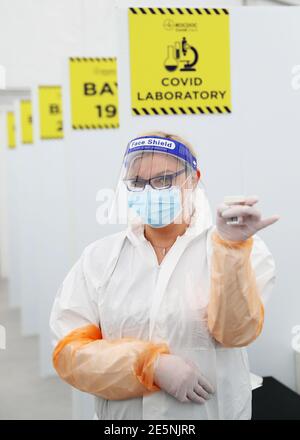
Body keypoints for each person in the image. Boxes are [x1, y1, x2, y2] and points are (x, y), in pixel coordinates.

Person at [49, 131, 279, 420]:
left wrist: (231, 251)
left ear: (193, 179)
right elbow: (69, 354)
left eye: (164, 180)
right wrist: (149, 365)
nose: (150, 191)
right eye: (137, 182)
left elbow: (235, 333)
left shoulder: (238, 249)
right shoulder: (99, 259)